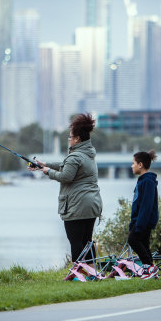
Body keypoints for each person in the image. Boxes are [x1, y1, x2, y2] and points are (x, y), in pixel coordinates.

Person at [32, 113, 103, 263]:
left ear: (77, 139)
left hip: (77, 205)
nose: (69, 139)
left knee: (76, 241)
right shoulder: (88, 154)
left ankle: (78, 273)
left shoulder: (75, 156)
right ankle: (91, 272)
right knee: (87, 241)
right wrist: (45, 165)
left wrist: (48, 172)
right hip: (92, 204)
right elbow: (68, 166)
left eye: (70, 137)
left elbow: (66, 176)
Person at [128, 149, 159, 279]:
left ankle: (149, 267)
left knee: (133, 240)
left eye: (133, 163)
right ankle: (150, 271)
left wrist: (139, 225)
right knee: (144, 244)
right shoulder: (143, 181)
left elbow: (146, 206)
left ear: (140, 165)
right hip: (139, 220)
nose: (132, 166)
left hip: (144, 221)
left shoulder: (147, 182)